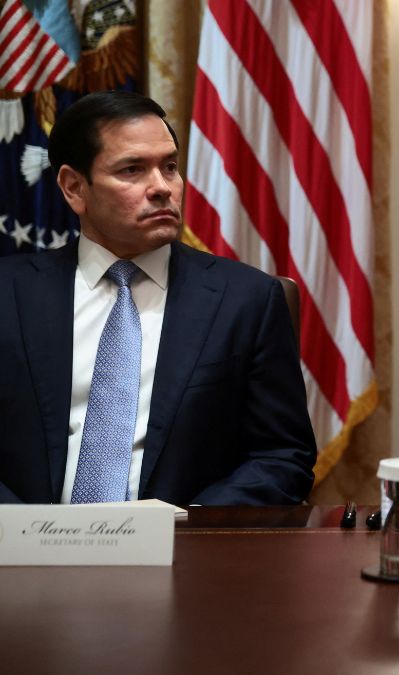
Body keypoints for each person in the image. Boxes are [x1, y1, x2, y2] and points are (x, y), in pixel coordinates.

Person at [0, 90, 316, 505]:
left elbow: (282, 456)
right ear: (74, 187)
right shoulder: (9, 295)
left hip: (186, 553)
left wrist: (187, 526)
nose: (162, 188)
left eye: (169, 168)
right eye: (133, 170)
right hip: (25, 553)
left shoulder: (246, 301)